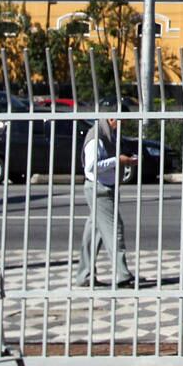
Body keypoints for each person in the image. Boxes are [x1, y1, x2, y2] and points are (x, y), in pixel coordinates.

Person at [74, 117, 137, 287]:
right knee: (115, 230)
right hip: (99, 189)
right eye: (121, 120)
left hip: (104, 187)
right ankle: (122, 276)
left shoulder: (108, 134)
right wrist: (119, 160)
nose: (122, 124)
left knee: (94, 233)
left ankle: (84, 275)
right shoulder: (96, 137)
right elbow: (92, 166)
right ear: (111, 119)